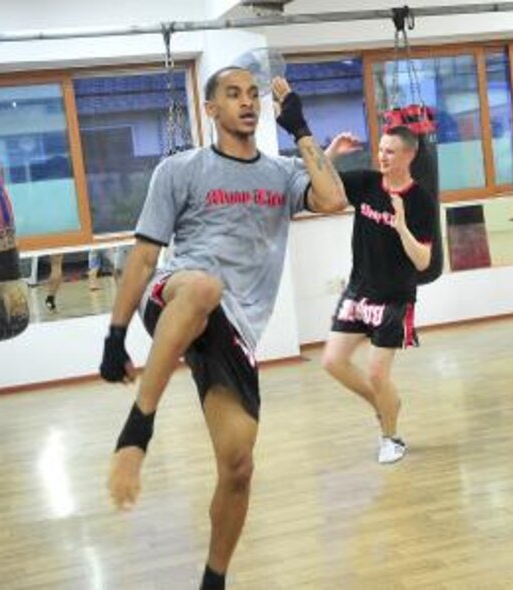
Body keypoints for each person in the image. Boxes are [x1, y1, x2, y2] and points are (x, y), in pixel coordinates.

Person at [97, 68, 347, 590]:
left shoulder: (281, 174)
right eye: (233, 95)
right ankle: (137, 428)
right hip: (176, 294)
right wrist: (115, 337)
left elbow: (332, 199)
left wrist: (299, 127)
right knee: (205, 287)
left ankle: (214, 580)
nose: (247, 102)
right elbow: (143, 258)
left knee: (238, 467)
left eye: (253, 94)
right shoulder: (180, 169)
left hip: (234, 327)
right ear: (211, 110)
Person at [321, 126, 436, 464]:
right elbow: (321, 182)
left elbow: (423, 261)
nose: (382, 156)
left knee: (376, 373)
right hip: (358, 292)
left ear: (409, 155)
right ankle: (384, 403)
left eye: (390, 151)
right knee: (333, 362)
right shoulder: (366, 183)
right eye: (381, 149)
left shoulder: (420, 201)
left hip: (395, 299)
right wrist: (332, 151)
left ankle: (392, 437)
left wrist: (401, 227)